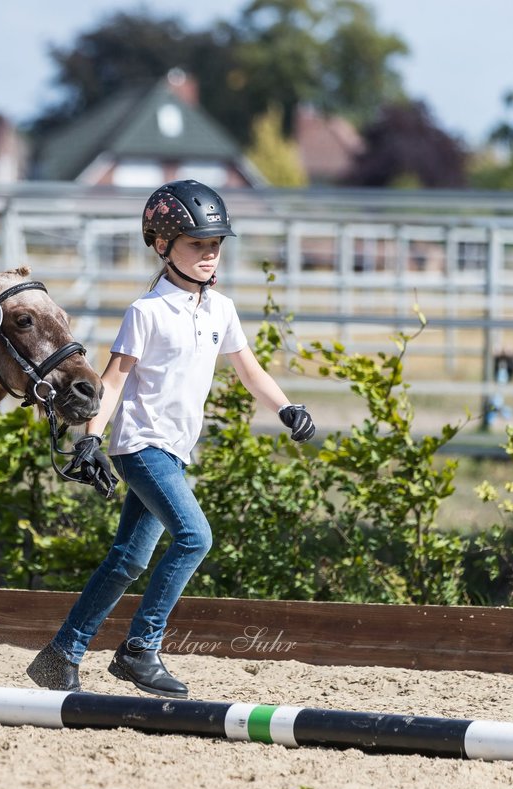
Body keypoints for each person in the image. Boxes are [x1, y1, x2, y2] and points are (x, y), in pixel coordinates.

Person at [27, 179, 316, 698]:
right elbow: (113, 381)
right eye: (197, 245)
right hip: (141, 445)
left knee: (129, 559)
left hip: (175, 452)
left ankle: (60, 655)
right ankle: (140, 650)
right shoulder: (147, 312)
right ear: (162, 245)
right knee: (195, 537)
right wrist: (92, 437)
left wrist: (288, 408)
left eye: (215, 245)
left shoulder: (220, 309)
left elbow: (250, 371)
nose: (210, 256)